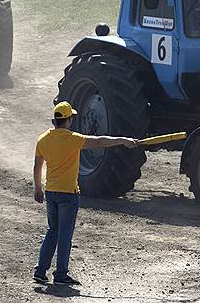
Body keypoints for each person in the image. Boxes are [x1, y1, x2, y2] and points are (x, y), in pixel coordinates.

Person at [32, 102, 139, 286]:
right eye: (71, 118)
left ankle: (41, 271)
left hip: (51, 192)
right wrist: (123, 140)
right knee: (65, 234)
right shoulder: (74, 139)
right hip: (68, 194)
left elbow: (37, 166)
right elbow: (100, 141)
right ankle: (61, 274)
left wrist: (38, 188)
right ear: (67, 121)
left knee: (52, 231)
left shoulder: (43, 139)